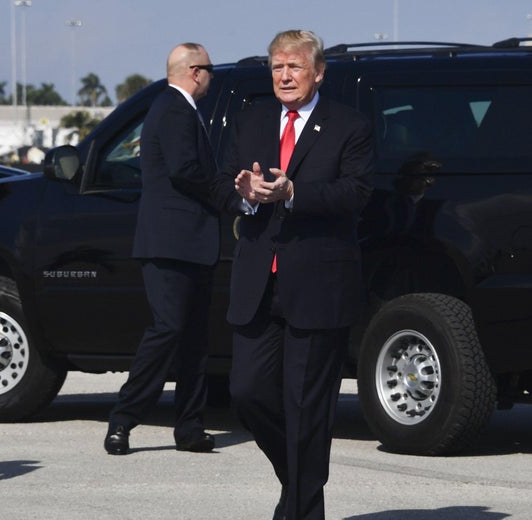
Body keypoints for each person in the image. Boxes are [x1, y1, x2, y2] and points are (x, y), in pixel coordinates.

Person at [225, 30, 374, 519]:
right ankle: (299, 484)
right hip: (257, 282)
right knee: (246, 392)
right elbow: (223, 184)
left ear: (318, 72)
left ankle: (302, 509)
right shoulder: (251, 119)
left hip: (317, 285)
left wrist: (293, 193)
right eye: (276, 68)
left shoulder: (348, 125)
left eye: (294, 67)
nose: (284, 76)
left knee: (307, 411)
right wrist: (245, 194)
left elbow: (356, 194)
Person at [104, 43, 229, 455]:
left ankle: (190, 428)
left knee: (194, 340)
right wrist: (230, 194)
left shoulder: (178, 108)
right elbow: (185, 171)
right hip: (172, 244)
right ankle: (124, 418)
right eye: (210, 69)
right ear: (195, 71)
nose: (212, 76)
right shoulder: (174, 108)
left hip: (191, 243)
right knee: (168, 331)